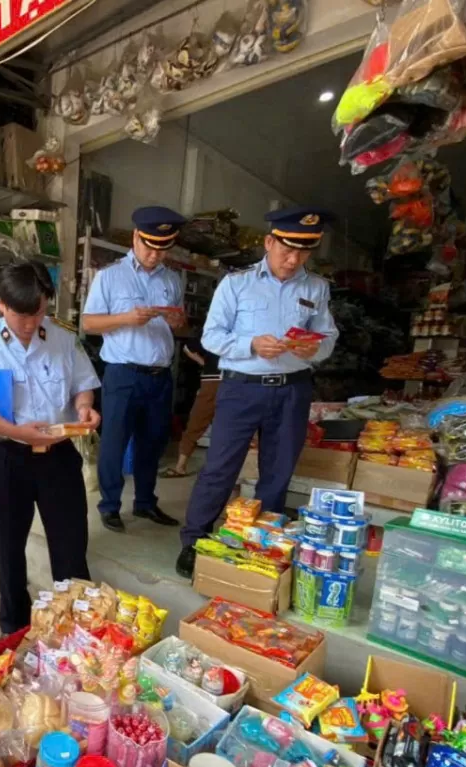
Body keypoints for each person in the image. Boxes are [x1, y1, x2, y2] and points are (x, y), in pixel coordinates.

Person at [176, 207, 339, 577]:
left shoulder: (316, 287)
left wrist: (315, 349)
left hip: (293, 391)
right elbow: (211, 337)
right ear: (269, 242)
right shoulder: (236, 284)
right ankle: (195, 540)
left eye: (303, 251)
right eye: (286, 249)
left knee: (277, 473)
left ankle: (263, 544)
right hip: (242, 388)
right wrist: (251, 345)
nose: (293, 259)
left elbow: (328, 337)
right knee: (220, 468)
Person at [0, 261, 101, 634]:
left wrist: (85, 407)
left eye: (38, 311)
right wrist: (21, 433)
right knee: (8, 551)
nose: (29, 322)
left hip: (59, 457)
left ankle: (75, 628)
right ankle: (14, 628)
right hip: (9, 459)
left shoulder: (63, 336)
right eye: (21, 313)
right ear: (1, 305)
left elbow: (82, 384)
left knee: (70, 548)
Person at [82, 206, 187, 533]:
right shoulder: (110, 276)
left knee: (152, 443)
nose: (155, 254)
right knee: (115, 442)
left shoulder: (171, 280)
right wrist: (127, 318)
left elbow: (180, 328)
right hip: (123, 374)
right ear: (135, 237)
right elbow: (88, 323)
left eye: (162, 248)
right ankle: (110, 505)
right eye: (149, 246)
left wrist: (178, 321)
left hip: (160, 375)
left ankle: (145, 503)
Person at [162, 338, 221, 478]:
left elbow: (188, 347)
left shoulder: (214, 331)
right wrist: (205, 364)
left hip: (214, 379)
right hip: (227, 380)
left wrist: (204, 364)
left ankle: (181, 466)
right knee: (202, 422)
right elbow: (188, 347)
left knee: (196, 422)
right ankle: (182, 465)